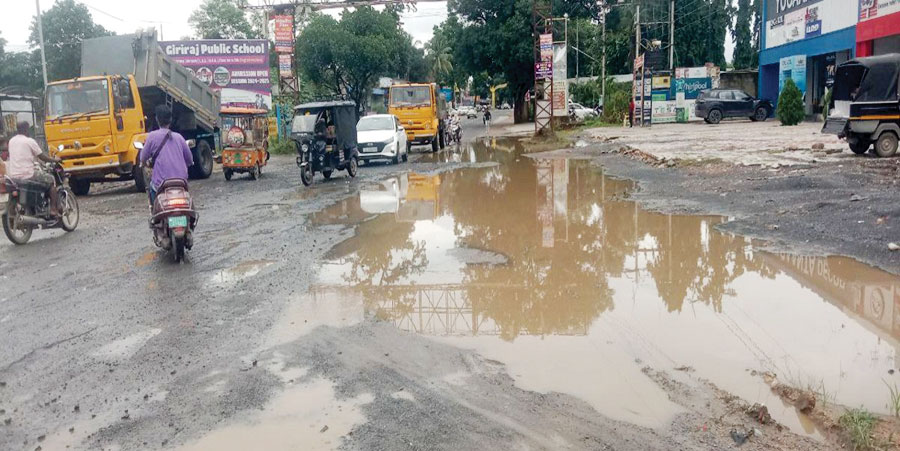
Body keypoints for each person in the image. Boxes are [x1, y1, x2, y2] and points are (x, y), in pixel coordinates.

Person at [139, 105, 193, 207]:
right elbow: (190, 159)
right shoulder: (179, 138)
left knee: (151, 188)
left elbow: (143, 158)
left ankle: (154, 212)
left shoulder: (152, 136)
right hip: (181, 182)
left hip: (161, 184)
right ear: (170, 119)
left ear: (157, 119)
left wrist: (144, 163)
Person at [7, 121, 61, 215]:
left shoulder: (11, 141)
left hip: (13, 176)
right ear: (26, 129)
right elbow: (42, 157)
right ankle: (53, 209)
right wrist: (54, 160)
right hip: (28, 175)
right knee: (51, 180)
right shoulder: (29, 141)